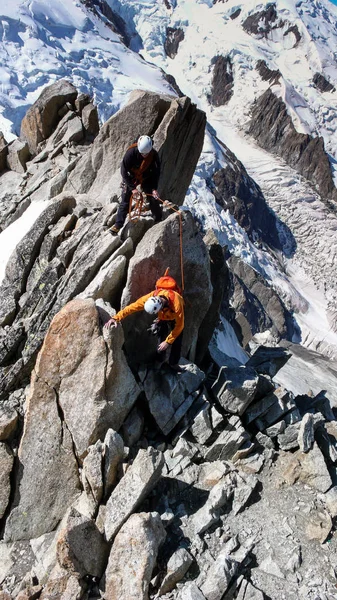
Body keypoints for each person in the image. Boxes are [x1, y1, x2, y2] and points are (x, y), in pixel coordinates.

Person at [105, 288, 184, 370]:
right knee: (161, 339)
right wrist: (116, 318)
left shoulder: (176, 304)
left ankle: (173, 363)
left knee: (177, 339)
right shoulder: (150, 297)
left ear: (160, 308)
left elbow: (180, 325)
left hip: (174, 317)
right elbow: (132, 307)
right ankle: (159, 360)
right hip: (163, 317)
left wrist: (168, 342)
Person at [110, 135, 162, 233]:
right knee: (125, 200)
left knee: (152, 197)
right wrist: (132, 188)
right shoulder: (131, 153)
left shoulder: (154, 156)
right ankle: (118, 225)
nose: (144, 155)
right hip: (131, 177)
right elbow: (124, 172)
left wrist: (154, 188)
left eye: (146, 154)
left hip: (146, 177)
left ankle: (158, 219)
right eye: (142, 153)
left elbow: (156, 173)